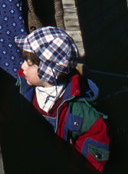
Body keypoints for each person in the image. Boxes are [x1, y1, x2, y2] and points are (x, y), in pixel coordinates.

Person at [16, 26, 110, 171]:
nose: (23, 67)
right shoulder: (22, 90)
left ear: (47, 71)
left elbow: (95, 140)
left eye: (29, 63)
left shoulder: (78, 109)